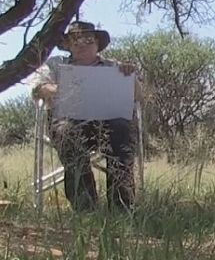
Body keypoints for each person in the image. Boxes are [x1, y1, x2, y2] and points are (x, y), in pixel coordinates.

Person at [29, 21, 141, 212]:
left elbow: (138, 96)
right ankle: (85, 208)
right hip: (67, 122)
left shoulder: (114, 66)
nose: (81, 43)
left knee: (123, 131)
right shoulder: (56, 65)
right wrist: (55, 89)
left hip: (107, 125)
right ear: (68, 45)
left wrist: (131, 78)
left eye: (88, 39)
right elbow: (37, 87)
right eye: (75, 39)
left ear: (97, 43)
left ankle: (122, 207)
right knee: (67, 134)